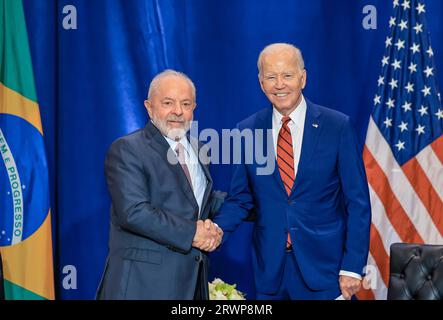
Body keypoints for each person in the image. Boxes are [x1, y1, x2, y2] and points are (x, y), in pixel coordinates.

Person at [215, 43, 371, 300]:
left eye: (287, 75)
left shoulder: (337, 126)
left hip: (326, 270)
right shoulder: (246, 130)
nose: (279, 84)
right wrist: (217, 231)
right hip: (270, 273)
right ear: (261, 82)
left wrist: (353, 267)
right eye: (271, 77)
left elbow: (357, 202)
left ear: (303, 78)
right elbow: (240, 199)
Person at [97, 69, 224, 300]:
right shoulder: (127, 149)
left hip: (190, 284)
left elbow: (198, 202)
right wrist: (193, 233)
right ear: (149, 106)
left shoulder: (199, 150)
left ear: (193, 109)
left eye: (186, 104)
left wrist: (254, 200)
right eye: (168, 102)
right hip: (142, 286)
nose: (178, 111)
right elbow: (134, 212)